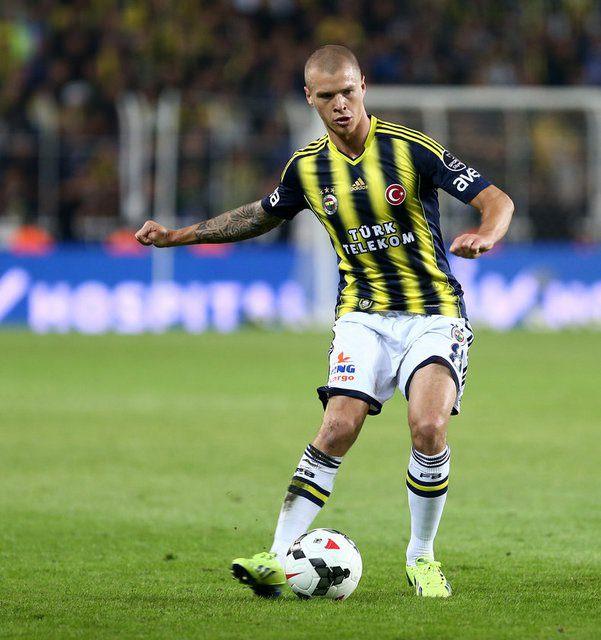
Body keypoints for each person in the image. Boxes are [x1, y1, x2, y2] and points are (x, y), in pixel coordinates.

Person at [135, 45, 514, 598]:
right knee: (337, 427)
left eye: (348, 92)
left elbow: (497, 200)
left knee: (429, 427)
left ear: (364, 87)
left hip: (433, 312)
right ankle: (275, 557)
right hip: (361, 314)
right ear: (309, 97)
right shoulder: (306, 167)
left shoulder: (410, 149)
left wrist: (486, 234)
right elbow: (258, 216)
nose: (341, 105)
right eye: (328, 95)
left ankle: (421, 557)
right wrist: (177, 236)